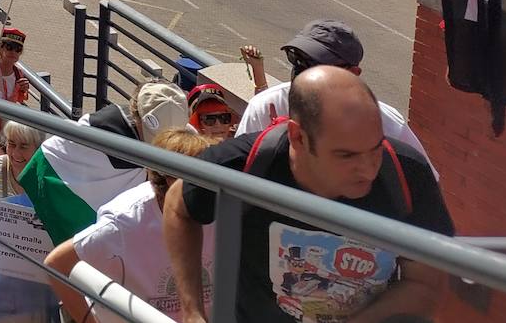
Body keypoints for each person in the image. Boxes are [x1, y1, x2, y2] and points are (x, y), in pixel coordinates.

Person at [163, 67, 453, 323]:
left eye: (375, 147)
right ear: (298, 137)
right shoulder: (249, 163)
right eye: (346, 155)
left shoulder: (406, 173)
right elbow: (178, 205)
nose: (368, 169)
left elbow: (426, 283)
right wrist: (192, 312)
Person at [46, 127, 212, 322]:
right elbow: (57, 264)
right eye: (199, 177)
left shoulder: (218, 208)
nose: (207, 185)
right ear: (170, 179)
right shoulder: (124, 222)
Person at [235, 20, 433, 164]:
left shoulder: (388, 125)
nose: (301, 71)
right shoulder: (265, 107)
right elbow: (237, 177)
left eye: (317, 65)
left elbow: (425, 188)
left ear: (353, 73)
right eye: (296, 60)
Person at [24, 81, 190, 245]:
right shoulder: (100, 129)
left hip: (79, 200)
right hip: (52, 182)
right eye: (151, 135)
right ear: (136, 116)